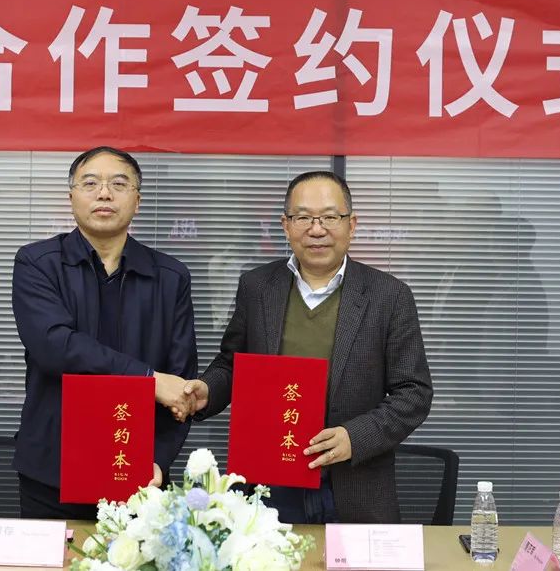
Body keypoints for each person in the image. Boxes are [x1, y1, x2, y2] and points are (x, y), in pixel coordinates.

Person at [180, 171, 433, 523]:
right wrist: (207, 390)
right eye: (303, 218)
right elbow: (233, 365)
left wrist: (355, 437)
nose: (316, 229)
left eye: (330, 217)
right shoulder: (257, 287)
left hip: (354, 483)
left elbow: (414, 393)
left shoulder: (389, 295)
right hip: (272, 481)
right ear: (286, 226)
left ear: (351, 225)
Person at [11, 146, 197, 519]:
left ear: (137, 201)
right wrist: (148, 379)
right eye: (90, 183)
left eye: (119, 184)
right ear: (72, 198)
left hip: (139, 472)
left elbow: (180, 383)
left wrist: (159, 460)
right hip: (52, 470)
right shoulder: (37, 263)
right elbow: (54, 347)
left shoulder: (170, 276)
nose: (104, 193)